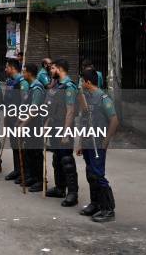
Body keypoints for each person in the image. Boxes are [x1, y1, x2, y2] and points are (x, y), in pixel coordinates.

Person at [77, 69, 119, 222]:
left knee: (98, 175)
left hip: (98, 143)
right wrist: (81, 142)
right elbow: (83, 121)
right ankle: (95, 204)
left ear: (88, 82)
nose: (81, 83)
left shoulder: (103, 98)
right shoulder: (86, 98)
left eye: (82, 81)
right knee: (91, 174)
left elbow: (114, 120)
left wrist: (105, 142)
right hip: (88, 142)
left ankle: (108, 210)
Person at [45, 59, 79, 207]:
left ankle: (72, 193)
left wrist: (65, 133)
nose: (50, 71)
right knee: (57, 159)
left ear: (59, 69)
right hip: (54, 125)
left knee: (67, 161)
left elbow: (70, 111)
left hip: (64, 127)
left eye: (53, 69)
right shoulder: (57, 85)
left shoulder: (69, 87)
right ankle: (60, 188)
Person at [3, 59, 29, 184]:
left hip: (19, 119)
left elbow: (25, 102)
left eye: (7, 67)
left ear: (12, 68)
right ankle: (17, 170)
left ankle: (24, 172)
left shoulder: (22, 82)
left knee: (21, 146)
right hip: (10, 117)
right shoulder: (9, 81)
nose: (5, 69)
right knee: (14, 144)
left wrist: (21, 120)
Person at [22, 63, 47, 192]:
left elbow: (34, 110)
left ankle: (40, 180)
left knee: (37, 153)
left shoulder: (37, 87)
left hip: (36, 125)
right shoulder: (31, 87)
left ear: (30, 73)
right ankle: (31, 176)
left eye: (24, 71)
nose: (22, 74)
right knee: (29, 152)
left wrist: (23, 124)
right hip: (29, 125)